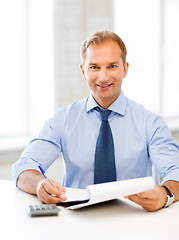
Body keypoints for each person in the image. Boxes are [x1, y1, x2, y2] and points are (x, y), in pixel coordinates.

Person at [12, 30, 179, 212]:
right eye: (94, 67)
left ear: (125, 69)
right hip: (78, 221)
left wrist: (165, 194)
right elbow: (24, 166)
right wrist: (39, 184)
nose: (103, 77)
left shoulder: (150, 123)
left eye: (112, 66)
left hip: (134, 219)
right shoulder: (61, 121)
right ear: (83, 71)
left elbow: (175, 170)